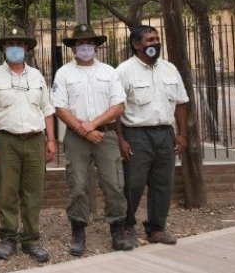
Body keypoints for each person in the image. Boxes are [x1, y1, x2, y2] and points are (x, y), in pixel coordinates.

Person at [51, 24, 132, 255]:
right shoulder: (64, 73)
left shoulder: (109, 72)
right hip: (77, 136)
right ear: (73, 47)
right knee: (77, 185)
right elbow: (60, 108)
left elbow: (119, 105)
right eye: (80, 43)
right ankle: (78, 230)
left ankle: (118, 230)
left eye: (89, 42)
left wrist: (94, 125)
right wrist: (84, 130)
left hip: (106, 135)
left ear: (96, 45)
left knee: (114, 184)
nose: (85, 46)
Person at [0, 26, 56, 264]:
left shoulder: (36, 76)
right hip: (5, 141)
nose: (15, 48)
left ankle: (31, 239)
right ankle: (8, 237)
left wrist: (51, 140)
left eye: (20, 44)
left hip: (35, 140)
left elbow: (47, 109)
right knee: (7, 191)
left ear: (26, 48)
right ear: (4, 48)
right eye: (10, 44)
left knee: (34, 193)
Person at [116, 25, 189, 246]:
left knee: (162, 183)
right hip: (136, 135)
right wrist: (121, 139)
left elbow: (181, 103)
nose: (155, 44)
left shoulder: (169, 69)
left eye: (157, 39)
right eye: (149, 40)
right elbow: (116, 108)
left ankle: (157, 228)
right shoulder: (123, 71)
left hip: (165, 135)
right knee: (134, 184)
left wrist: (182, 134)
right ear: (136, 45)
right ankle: (127, 227)